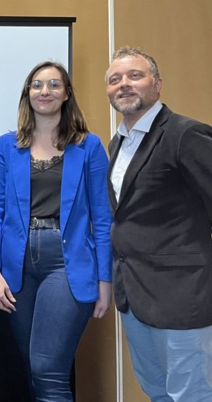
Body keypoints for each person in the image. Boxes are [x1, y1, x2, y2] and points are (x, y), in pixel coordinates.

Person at [0, 61, 112, 402]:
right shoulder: (7, 147)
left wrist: (106, 280)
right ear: (28, 93)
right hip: (15, 266)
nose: (45, 91)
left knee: (47, 368)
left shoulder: (89, 146)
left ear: (67, 93)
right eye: (37, 85)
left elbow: (102, 215)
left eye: (54, 84)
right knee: (34, 367)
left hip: (67, 263)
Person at [105, 46, 212, 401]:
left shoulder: (185, 134)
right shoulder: (118, 143)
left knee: (191, 394)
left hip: (183, 295)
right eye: (115, 79)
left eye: (135, 76)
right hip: (134, 296)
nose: (124, 84)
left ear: (158, 84)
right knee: (157, 391)